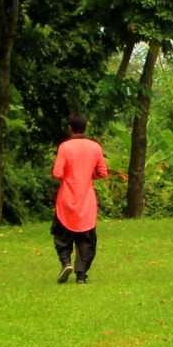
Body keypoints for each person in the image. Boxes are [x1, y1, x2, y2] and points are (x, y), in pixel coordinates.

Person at [50, 111, 109, 284]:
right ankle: (81, 275)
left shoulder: (64, 147)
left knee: (62, 235)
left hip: (67, 198)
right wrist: (88, 175)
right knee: (87, 238)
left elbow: (57, 173)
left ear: (70, 128)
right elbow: (102, 172)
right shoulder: (95, 147)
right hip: (87, 200)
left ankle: (66, 262)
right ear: (85, 127)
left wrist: (68, 177)